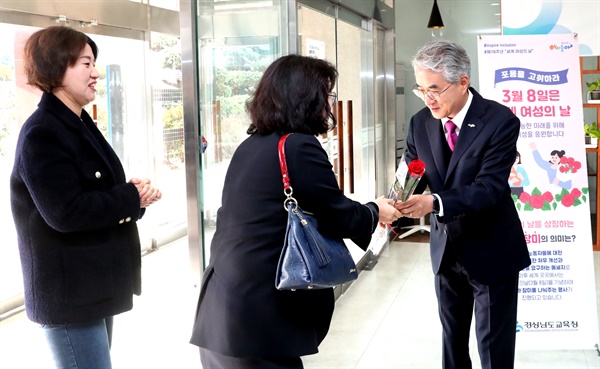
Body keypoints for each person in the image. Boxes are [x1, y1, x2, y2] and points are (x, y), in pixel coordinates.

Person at [189, 54, 400, 369]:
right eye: (327, 95)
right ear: (308, 99)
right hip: (260, 314)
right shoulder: (297, 146)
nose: (331, 104)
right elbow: (337, 214)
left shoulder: (251, 145)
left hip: (225, 305)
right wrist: (376, 210)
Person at [10, 26, 162, 368]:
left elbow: (96, 193)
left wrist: (135, 198)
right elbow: (65, 212)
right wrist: (129, 198)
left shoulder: (77, 122)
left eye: (94, 63)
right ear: (56, 67)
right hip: (69, 294)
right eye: (85, 63)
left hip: (91, 286)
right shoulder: (42, 132)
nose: (95, 72)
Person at [395, 39, 531, 369]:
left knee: (493, 345)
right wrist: (395, 201)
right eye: (420, 89)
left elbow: (488, 188)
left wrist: (434, 201)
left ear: (463, 82)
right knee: (452, 342)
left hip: (491, 248)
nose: (428, 99)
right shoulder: (420, 123)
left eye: (435, 89)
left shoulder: (500, 121)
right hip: (446, 249)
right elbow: (412, 170)